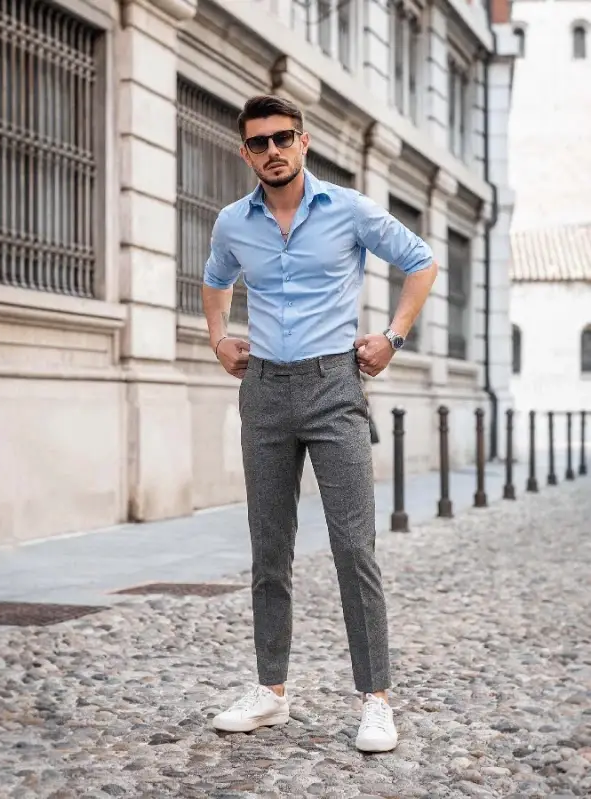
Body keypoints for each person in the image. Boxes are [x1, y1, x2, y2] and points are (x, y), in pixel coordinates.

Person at [202, 94, 438, 753]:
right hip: (265, 392)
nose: (272, 149)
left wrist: (393, 335)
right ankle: (270, 691)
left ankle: (375, 700)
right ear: (244, 151)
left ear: (303, 142)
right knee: (268, 548)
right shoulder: (231, 223)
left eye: (282, 137)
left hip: (334, 385)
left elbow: (420, 261)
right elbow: (214, 279)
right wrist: (218, 336)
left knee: (352, 546)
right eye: (258, 142)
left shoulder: (350, 210)